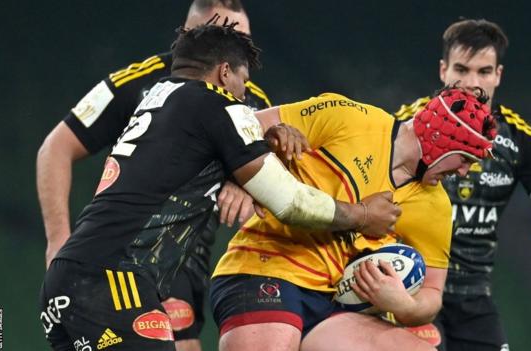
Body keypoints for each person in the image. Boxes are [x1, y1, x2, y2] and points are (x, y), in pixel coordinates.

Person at [38, 22, 401, 351]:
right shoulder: (219, 105)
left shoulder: (157, 99)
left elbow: (192, 158)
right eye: (243, 85)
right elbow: (290, 202)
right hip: (116, 279)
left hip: (67, 278)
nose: (244, 97)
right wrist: (363, 214)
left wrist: (265, 137)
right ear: (224, 72)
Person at [36, 1, 270, 350]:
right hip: (129, 250)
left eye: (243, 38)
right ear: (192, 35)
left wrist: (244, 185)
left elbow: (272, 169)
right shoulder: (142, 79)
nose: (236, 48)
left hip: (189, 255)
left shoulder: (252, 99)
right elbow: (56, 148)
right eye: (225, 33)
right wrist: (57, 238)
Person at [209, 86, 498, 351]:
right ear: (440, 140)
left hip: (331, 304)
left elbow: (433, 292)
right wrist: (240, 175)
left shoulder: (435, 206)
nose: (464, 172)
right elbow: (241, 127)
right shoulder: (349, 118)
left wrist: (404, 305)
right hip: (263, 268)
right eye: (465, 159)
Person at [393, 19, 531, 350]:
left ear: (498, 75)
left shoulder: (522, 139)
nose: (471, 83)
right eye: (461, 69)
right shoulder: (406, 124)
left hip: (473, 297)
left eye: (483, 71)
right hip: (410, 288)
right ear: (443, 70)